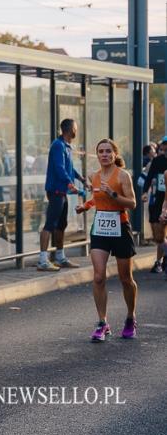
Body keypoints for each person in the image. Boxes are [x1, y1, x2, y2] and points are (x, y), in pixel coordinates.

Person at [75, 139, 138, 341]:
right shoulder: (94, 176)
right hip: (101, 228)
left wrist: (113, 195)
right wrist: (86, 206)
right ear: (97, 154)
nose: (104, 154)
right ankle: (102, 322)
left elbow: (132, 203)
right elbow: (96, 197)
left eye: (108, 151)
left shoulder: (123, 176)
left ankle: (130, 317)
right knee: (99, 277)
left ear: (114, 154)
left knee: (125, 279)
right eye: (100, 151)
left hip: (120, 227)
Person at [38, 118, 88, 271]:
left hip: (62, 191)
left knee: (61, 224)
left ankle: (60, 257)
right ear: (70, 129)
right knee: (50, 224)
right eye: (75, 128)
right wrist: (70, 183)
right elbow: (60, 168)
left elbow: (69, 168)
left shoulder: (66, 146)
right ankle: (42, 261)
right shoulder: (58, 146)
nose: (76, 131)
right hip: (56, 191)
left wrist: (81, 179)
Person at [142, 137, 167, 273]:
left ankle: (159, 262)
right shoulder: (157, 161)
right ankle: (161, 261)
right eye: (165, 145)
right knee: (159, 236)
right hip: (158, 201)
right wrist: (145, 192)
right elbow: (148, 176)